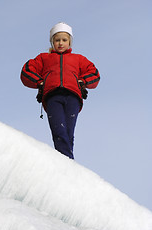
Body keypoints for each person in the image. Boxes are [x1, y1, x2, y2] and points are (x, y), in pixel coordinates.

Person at [20, 22, 100, 159]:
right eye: (57, 40)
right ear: (52, 42)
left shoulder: (79, 59)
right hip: (53, 97)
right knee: (59, 130)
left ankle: (66, 163)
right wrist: (40, 82)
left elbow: (94, 74)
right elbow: (26, 71)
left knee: (68, 133)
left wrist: (83, 82)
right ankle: (67, 163)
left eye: (64, 40)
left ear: (70, 42)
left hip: (73, 97)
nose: (61, 43)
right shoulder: (44, 58)